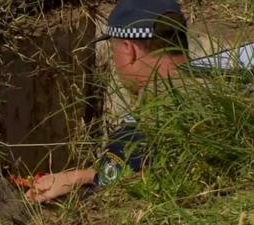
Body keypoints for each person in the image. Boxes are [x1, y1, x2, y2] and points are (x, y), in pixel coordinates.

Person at [26, 0, 190, 203]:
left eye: (114, 52)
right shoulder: (218, 91)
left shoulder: (143, 127)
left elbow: (123, 193)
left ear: (129, 51)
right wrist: (86, 175)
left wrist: (73, 180)